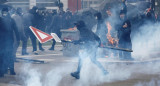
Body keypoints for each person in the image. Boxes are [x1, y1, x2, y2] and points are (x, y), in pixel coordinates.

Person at [0, 7, 20, 76]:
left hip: (2, 41)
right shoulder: (11, 20)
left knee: (2, 56)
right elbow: (16, 30)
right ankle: (11, 71)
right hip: (10, 40)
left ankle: (2, 72)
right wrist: (18, 38)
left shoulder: (1, 19)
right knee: (10, 55)